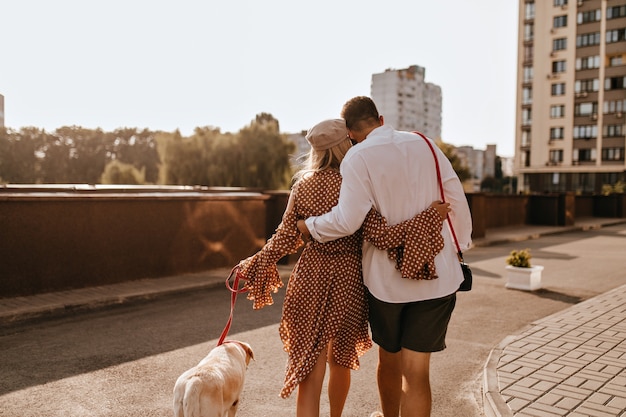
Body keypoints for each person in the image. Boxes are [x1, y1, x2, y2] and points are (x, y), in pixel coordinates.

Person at [237, 118, 450, 417]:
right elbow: (382, 235)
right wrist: (429, 217)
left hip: (311, 275)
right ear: (346, 144)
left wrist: (255, 262)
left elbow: (285, 236)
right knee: (340, 359)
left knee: (310, 366)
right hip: (349, 278)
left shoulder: (303, 186)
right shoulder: (357, 182)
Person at [298, 97, 472, 417]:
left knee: (389, 360)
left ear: (350, 133)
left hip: (387, 283)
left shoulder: (357, 158)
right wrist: (456, 246)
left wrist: (309, 226)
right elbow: (456, 198)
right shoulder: (426, 144)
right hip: (438, 276)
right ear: (379, 118)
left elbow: (347, 221)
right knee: (417, 373)